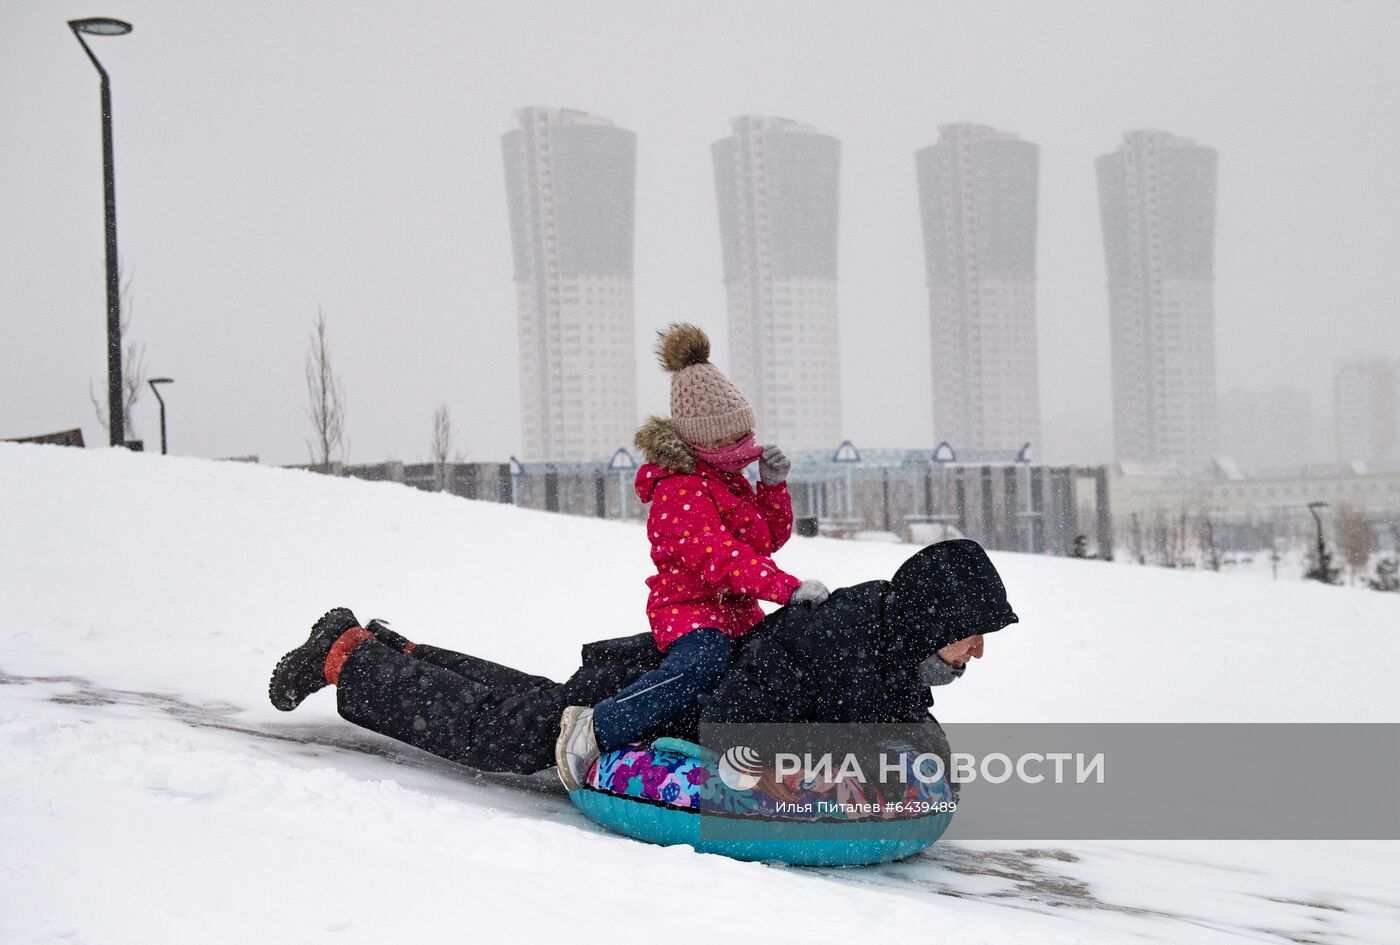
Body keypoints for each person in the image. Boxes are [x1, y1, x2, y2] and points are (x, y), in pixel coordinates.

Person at [266, 539, 1017, 781]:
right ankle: (345, 657)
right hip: (647, 695)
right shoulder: (835, 636)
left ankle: (382, 645)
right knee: (497, 732)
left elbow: (913, 730)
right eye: (972, 632)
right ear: (936, 619)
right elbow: (730, 724)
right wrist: (833, 761)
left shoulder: (889, 652)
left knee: (523, 701)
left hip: (648, 686)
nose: (977, 650)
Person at [554, 323, 830, 790]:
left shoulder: (727, 478)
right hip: (688, 609)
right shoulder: (680, 489)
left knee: (767, 666)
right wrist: (785, 588)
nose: (745, 448)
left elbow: (765, 540)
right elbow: (720, 557)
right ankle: (594, 728)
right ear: (703, 443)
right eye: (733, 441)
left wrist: (773, 486)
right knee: (704, 661)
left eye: (748, 435)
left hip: (735, 609)